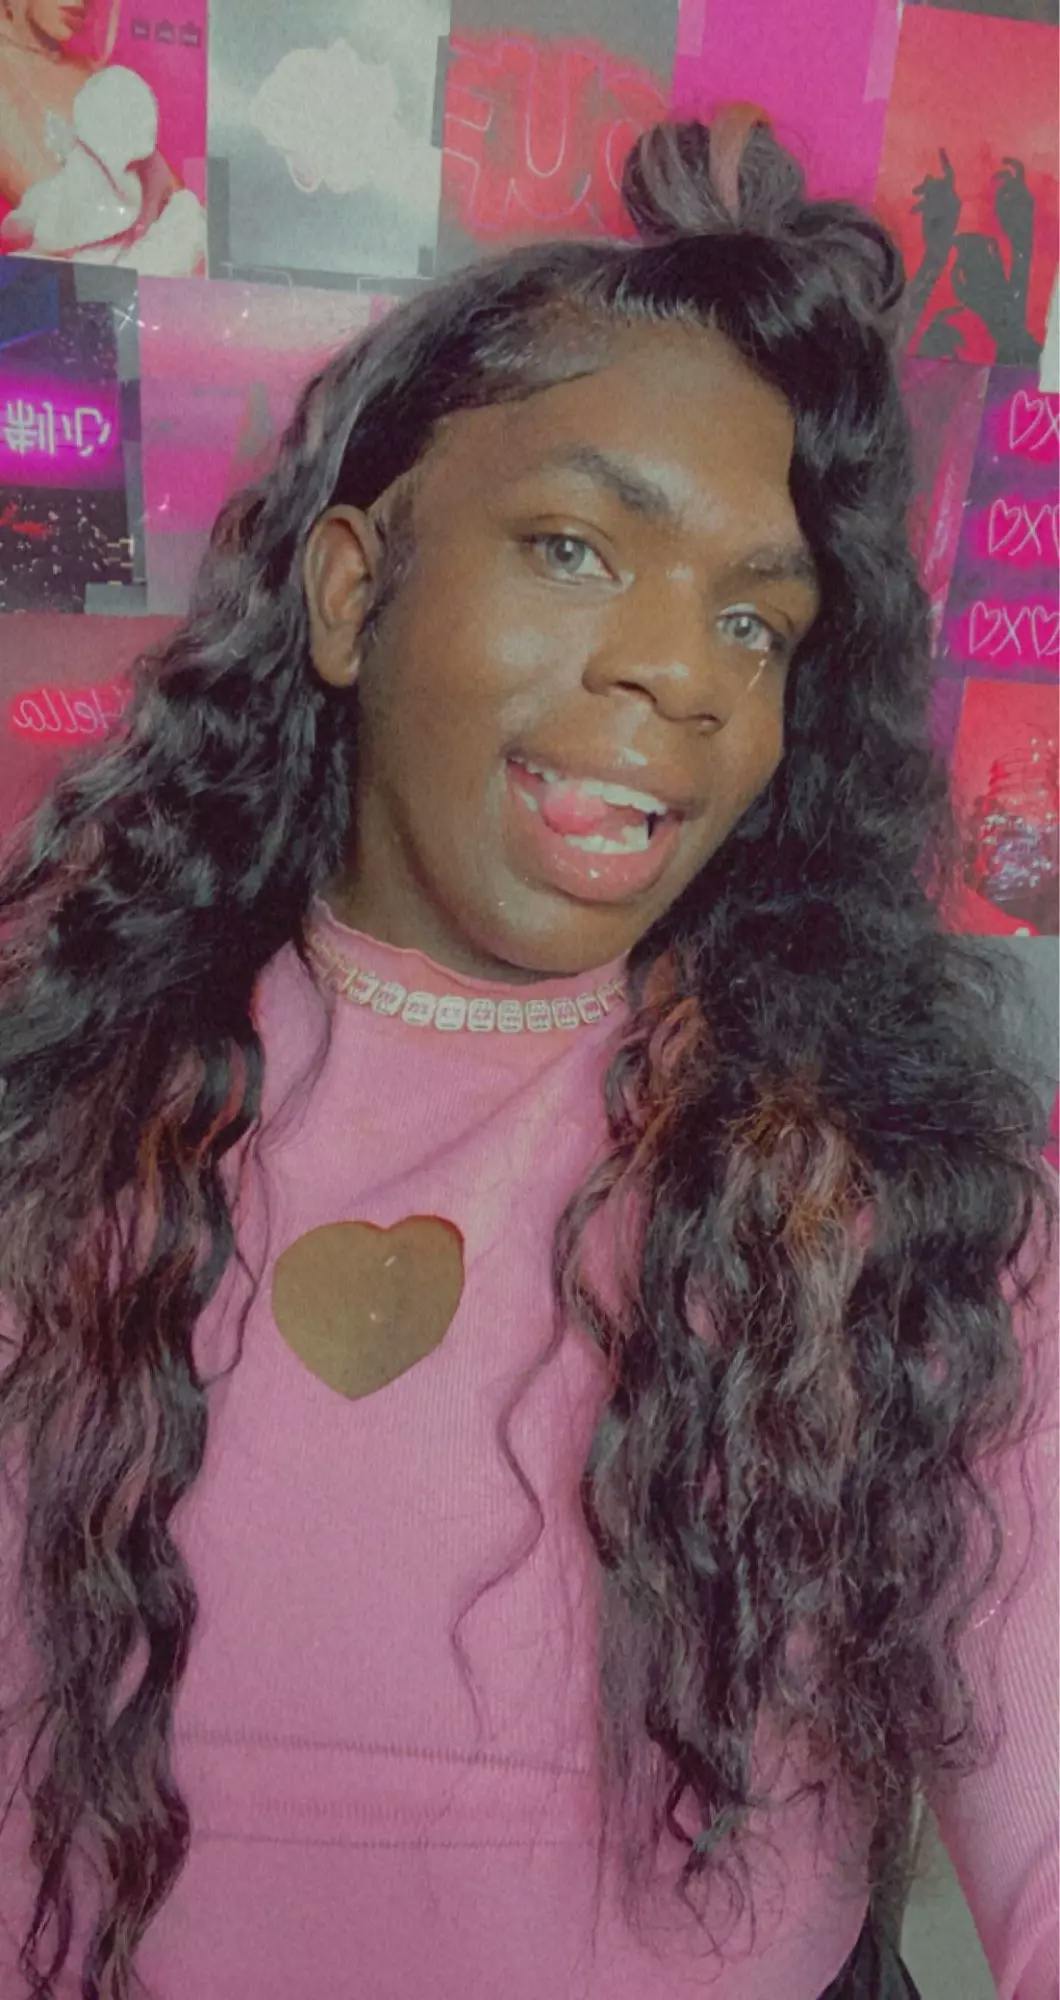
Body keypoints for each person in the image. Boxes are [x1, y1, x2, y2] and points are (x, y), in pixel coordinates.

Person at [0, 107, 1056, 2000]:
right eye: (575, 547)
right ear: (353, 591)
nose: (687, 673)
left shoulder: (914, 1209)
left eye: (757, 619)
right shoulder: (46, 1134)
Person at [0, 0, 205, 274]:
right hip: (85, 271)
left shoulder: (95, 73)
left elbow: (175, 197)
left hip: (158, 256)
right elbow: (57, 219)